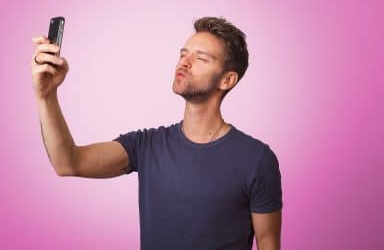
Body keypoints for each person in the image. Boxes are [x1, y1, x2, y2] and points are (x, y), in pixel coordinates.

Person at [31, 16, 283, 250]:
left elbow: (267, 241)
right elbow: (68, 163)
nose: (184, 62)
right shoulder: (146, 146)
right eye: (183, 54)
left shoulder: (257, 159)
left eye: (201, 58)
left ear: (227, 80)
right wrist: (46, 95)